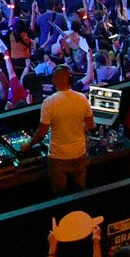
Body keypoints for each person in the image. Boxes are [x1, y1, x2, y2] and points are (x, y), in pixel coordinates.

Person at [40, 65, 92, 193]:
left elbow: (41, 133)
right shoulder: (82, 98)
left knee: (60, 196)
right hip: (79, 153)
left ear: (54, 81)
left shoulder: (48, 102)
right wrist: (77, 131)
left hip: (58, 158)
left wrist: (28, 145)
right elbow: (90, 125)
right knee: (80, 193)